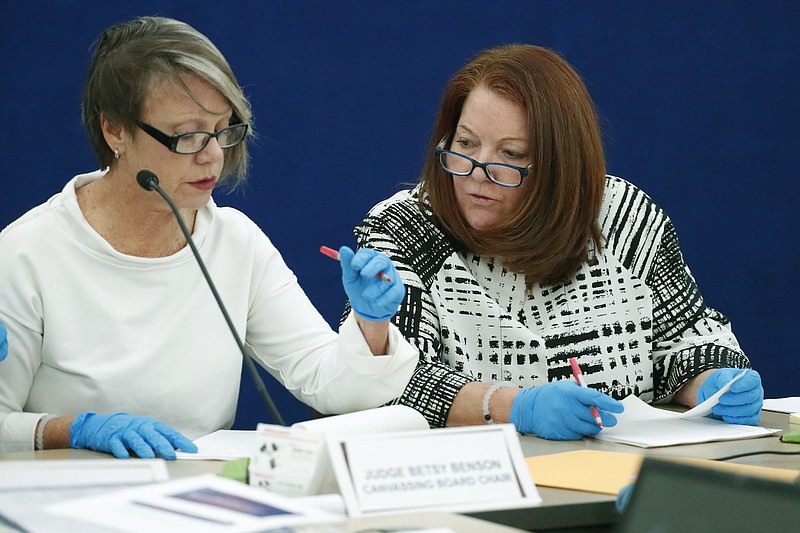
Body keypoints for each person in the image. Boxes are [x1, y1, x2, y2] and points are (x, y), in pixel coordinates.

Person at [0, 16, 417, 459]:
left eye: (222, 129)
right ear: (114, 130)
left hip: (196, 497)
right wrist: (73, 430)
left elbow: (325, 383)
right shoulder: (26, 252)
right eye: (188, 135)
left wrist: (372, 326)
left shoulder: (236, 241)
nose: (214, 155)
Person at [349, 44, 763, 440]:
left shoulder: (621, 216)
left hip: (626, 473)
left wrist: (714, 381)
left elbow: (688, 338)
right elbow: (389, 383)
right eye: (466, 144)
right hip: (478, 482)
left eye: (510, 153)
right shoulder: (404, 226)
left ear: (560, 164)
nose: (477, 172)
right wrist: (518, 407)